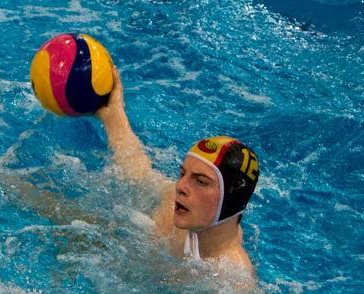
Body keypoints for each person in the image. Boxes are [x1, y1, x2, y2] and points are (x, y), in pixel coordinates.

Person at [94, 68, 261, 274]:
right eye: (183, 174)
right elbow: (138, 171)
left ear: (233, 198)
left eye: (201, 181)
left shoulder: (231, 278)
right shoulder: (173, 209)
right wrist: (113, 113)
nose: (180, 187)